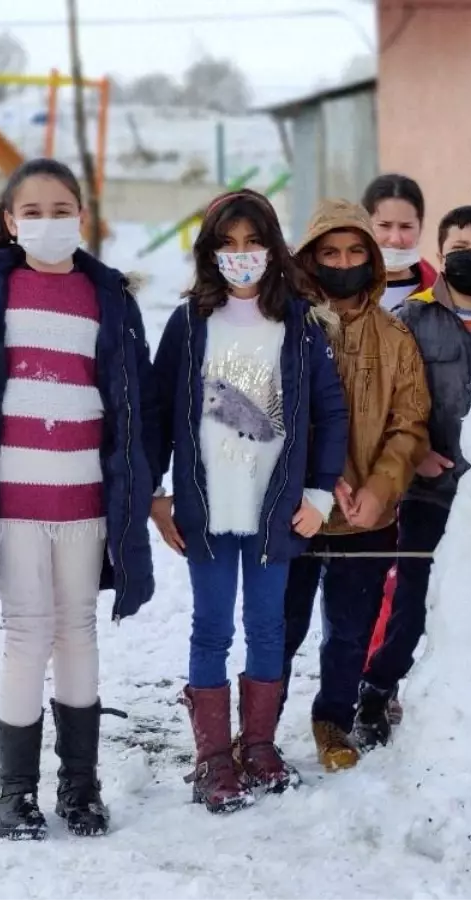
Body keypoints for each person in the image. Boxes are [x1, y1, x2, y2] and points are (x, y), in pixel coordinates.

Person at [0, 158, 156, 840]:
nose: (49, 223)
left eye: (62, 209)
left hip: (87, 500)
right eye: (32, 212)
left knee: (79, 631)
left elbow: (135, 401)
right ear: (9, 222)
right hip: (12, 503)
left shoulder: (110, 296)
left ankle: (80, 787)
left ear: (82, 216)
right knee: (28, 635)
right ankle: (15, 790)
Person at [149, 189, 348, 814]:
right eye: (227, 245)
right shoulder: (188, 323)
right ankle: (212, 758)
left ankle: (258, 745)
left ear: (273, 249)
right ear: (210, 253)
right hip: (207, 508)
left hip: (276, 511)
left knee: (267, 626)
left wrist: (318, 495)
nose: (241, 256)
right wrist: (156, 495)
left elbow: (330, 414)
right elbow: (157, 412)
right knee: (211, 628)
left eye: (253, 243)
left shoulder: (299, 322)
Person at [281, 199, 430, 771]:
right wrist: (313, 479)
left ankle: (332, 720)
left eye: (354, 252)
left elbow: (409, 423)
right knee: (281, 626)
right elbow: (262, 409)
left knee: (350, 631)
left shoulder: (395, 338)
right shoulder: (284, 326)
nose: (342, 263)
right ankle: (259, 727)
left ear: (371, 260)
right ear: (309, 259)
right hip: (293, 510)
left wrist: (382, 488)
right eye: (329, 253)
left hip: (366, 517)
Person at [360, 205, 471, 712]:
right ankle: (378, 688)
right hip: (431, 492)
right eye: (462, 249)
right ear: (441, 256)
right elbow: (386, 401)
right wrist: (416, 452)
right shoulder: (409, 319)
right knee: (411, 601)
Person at [363, 174, 438, 316]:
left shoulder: (440, 297)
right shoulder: (339, 295)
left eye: (405, 227)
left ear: (420, 227)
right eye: (384, 225)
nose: (395, 239)